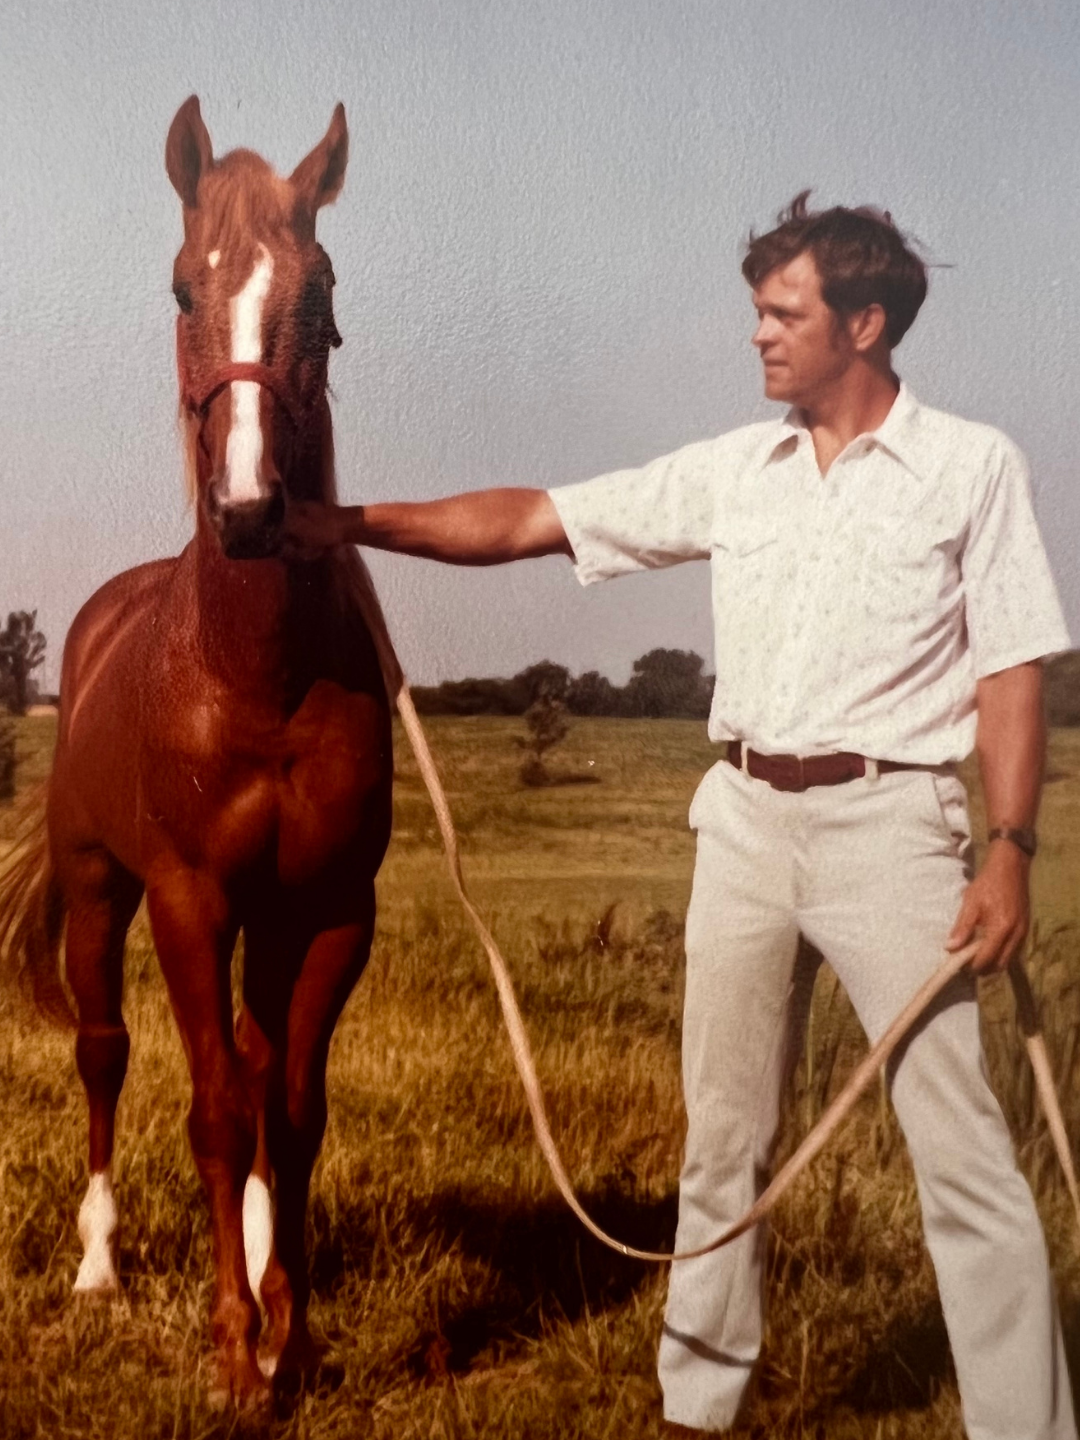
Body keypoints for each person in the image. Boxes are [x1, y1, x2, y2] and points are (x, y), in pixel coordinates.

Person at [284, 194, 1075, 1438]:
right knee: (720, 1144)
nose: (758, 335)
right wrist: (346, 527)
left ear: (864, 325)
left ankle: (1026, 1428)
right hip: (746, 826)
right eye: (758, 310)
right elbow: (535, 518)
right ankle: (696, 1410)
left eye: (783, 313)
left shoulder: (973, 467)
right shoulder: (734, 471)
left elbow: (1014, 667)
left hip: (898, 834)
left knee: (963, 1157)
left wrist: (1014, 848)